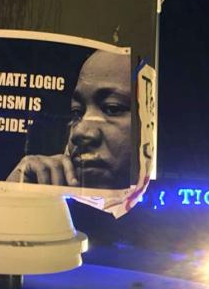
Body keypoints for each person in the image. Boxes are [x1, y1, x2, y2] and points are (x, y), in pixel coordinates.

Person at [7, 50, 132, 189]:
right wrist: (11, 198)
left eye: (112, 108)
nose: (78, 132)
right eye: (77, 112)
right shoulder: (44, 190)